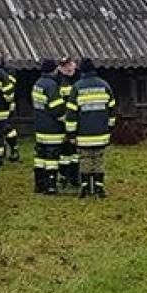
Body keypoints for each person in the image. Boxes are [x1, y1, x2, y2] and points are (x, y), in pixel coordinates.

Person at [64, 58, 116, 198]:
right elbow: (112, 110)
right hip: (101, 133)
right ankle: (99, 188)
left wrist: (71, 134)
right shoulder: (105, 86)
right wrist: (110, 129)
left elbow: (71, 114)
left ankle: (85, 188)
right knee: (99, 160)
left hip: (83, 135)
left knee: (85, 159)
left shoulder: (77, 87)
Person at [30, 58, 67, 194]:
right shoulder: (51, 85)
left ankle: (39, 184)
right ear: (53, 70)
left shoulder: (38, 83)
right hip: (52, 129)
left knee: (40, 156)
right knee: (52, 157)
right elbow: (57, 109)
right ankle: (51, 185)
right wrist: (66, 120)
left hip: (40, 126)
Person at [56, 56, 80, 188]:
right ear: (60, 68)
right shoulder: (57, 80)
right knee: (65, 150)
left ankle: (75, 177)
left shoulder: (80, 78)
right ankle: (64, 176)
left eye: (70, 64)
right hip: (63, 121)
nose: (68, 68)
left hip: (78, 120)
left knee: (76, 150)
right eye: (64, 66)